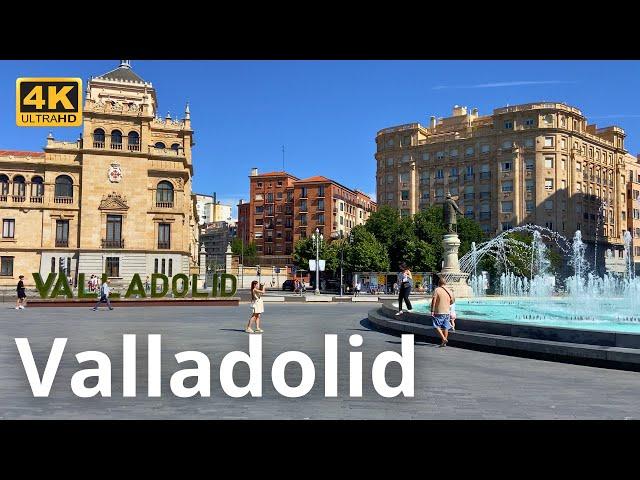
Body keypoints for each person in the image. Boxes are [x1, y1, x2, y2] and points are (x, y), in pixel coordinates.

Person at [430, 276, 455, 347]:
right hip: (447, 312)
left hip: (439, 311)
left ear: (439, 283)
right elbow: (452, 302)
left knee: (436, 325)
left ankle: (443, 338)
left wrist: (432, 310)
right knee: (446, 327)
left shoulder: (437, 290)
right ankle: (444, 343)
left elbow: (434, 301)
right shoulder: (449, 290)